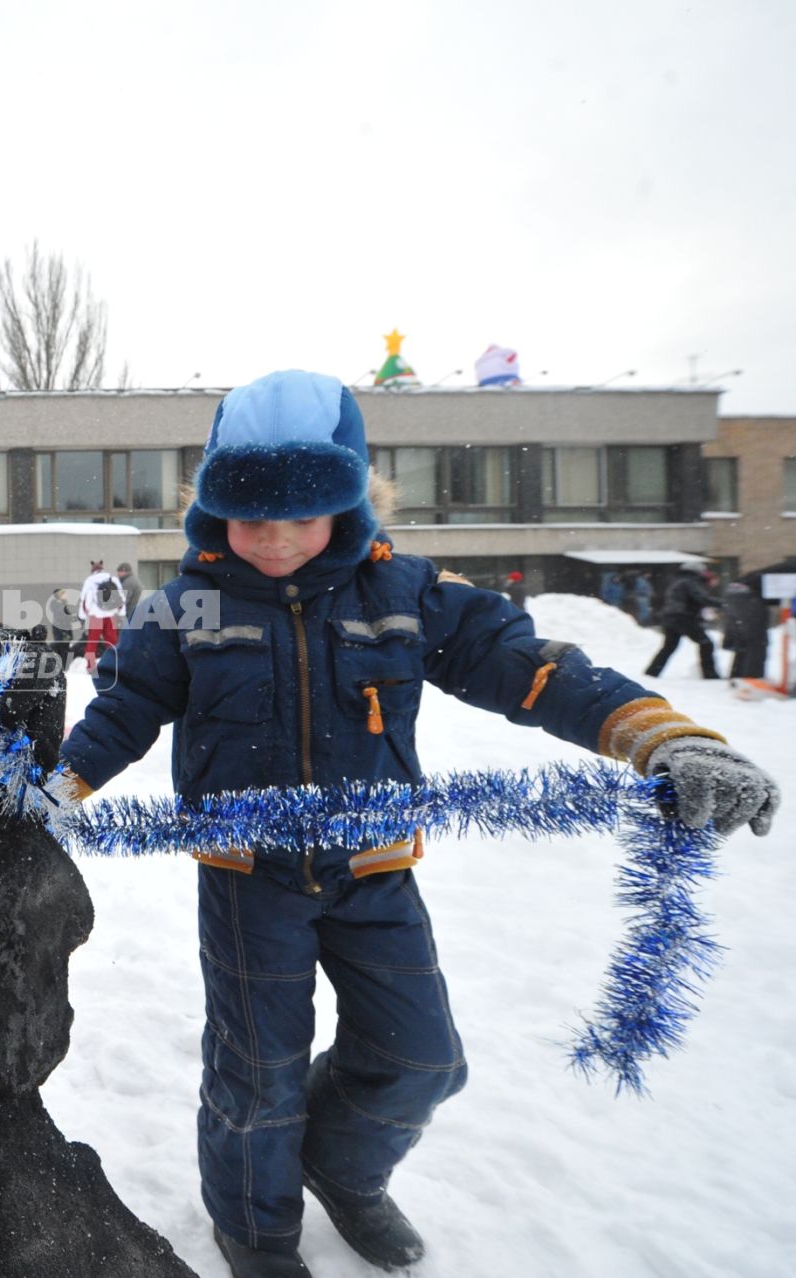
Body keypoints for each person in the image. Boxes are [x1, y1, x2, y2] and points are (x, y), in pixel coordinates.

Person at [57, 371, 778, 1278]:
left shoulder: (405, 593)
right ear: (213, 510)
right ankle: (256, 1228)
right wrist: (53, 791)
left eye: (303, 512)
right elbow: (120, 716)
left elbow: (530, 668)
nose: (274, 536)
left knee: (421, 1057)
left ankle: (341, 1165)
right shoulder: (182, 611)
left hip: (376, 870)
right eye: (250, 514)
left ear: (350, 504)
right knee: (259, 1075)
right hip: (249, 881)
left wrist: (660, 737)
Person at [645, 564, 722, 679]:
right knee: (706, 644)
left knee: (669, 647)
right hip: (683, 617)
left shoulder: (677, 581)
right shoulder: (690, 582)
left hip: (670, 617)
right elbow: (702, 598)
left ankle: (651, 673)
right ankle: (710, 674)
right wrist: (724, 604)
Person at [721, 575, 770, 685]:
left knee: (745, 641)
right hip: (748, 595)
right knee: (756, 642)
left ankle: (738, 676)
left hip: (738, 593)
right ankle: (751, 679)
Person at [79, 558, 124, 673]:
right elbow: (120, 596)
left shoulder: (89, 581)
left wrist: (83, 615)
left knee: (92, 642)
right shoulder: (112, 579)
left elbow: (85, 600)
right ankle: (115, 664)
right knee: (113, 641)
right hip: (110, 615)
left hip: (96, 616)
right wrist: (120, 611)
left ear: (92, 570)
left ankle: (90, 666)